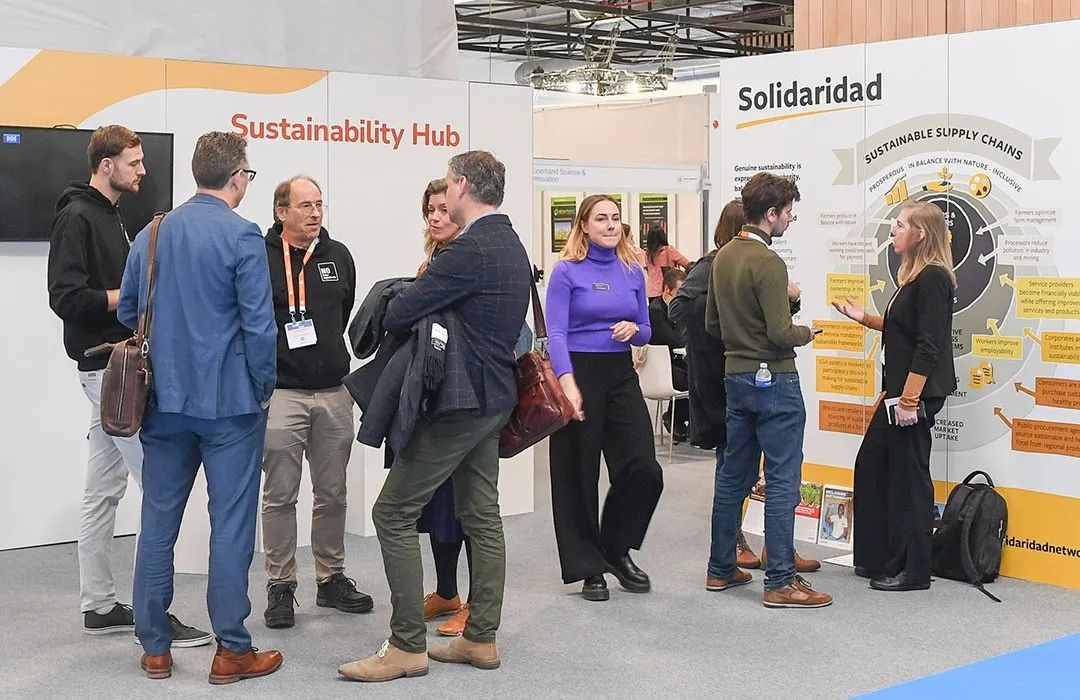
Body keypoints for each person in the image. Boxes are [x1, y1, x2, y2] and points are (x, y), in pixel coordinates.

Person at [339, 151, 531, 682]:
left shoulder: (468, 250)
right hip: (494, 400)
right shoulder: (510, 243)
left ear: (463, 185)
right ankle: (481, 637)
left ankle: (406, 647)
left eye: (448, 184)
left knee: (392, 513)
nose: (443, 195)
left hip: (459, 404)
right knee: (481, 514)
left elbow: (400, 312)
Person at [118, 132, 282, 683]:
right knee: (230, 525)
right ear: (237, 177)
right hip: (231, 405)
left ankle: (155, 648)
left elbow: (129, 312)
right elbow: (260, 327)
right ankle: (231, 649)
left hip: (162, 402)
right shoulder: (242, 235)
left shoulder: (152, 232)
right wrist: (263, 388)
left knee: (157, 522)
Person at [46, 124, 210, 646]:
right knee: (159, 491)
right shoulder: (77, 216)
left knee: (102, 491)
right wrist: (134, 294)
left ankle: (98, 605)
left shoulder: (112, 214)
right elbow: (66, 298)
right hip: (109, 373)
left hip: (114, 371)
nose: (143, 170)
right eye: (134, 162)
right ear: (106, 165)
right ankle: (153, 615)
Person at [704, 172, 832, 609]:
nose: (791, 219)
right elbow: (780, 333)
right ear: (771, 213)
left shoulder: (723, 257)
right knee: (782, 480)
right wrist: (806, 332)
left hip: (736, 378)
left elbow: (712, 325)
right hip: (775, 379)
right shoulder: (770, 263)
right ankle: (780, 581)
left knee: (733, 476)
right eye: (789, 212)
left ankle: (720, 567)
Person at [261, 176, 371, 629]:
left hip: (333, 392)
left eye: (319, 205)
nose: (315, 213)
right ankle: (280, 585)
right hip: (281, 393)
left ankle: (330, 578)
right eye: (305, 205)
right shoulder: (260, 256)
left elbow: (340, 315)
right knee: (279, 496)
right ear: (281, 212)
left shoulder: (337, 255)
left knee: (332, 493)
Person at [545, 194, 664, 603]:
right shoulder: (566, 271)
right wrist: (567, 382)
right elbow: (555, 333)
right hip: (578, 371)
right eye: (601, 219)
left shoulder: (632, 270)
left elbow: (647, 328)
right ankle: (588, 567)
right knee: (578, 473)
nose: (611, 225)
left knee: (643, 468)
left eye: (615, 218)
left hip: (619, 372)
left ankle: (614, 547)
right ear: (584, 225)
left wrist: (634, 330)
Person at [833, 200, 956, 592]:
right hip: (900, 393)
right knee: (874, 465)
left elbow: (929, 345)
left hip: (914, 396)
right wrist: (866, 318)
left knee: (910, 478)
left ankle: (914, 570)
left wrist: (909, 400)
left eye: (900, 225)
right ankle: (881, 558)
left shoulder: (933, 278)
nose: (893, 231)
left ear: (920, 234)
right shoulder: (914, 276)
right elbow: (904, 327)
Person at [414, 177, 474, 638]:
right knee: (439, 502)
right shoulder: (430, 263)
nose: (435, 217)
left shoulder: (469, 261)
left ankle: (475, 604)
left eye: (442, 209)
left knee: (471, 505)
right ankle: (447, 592)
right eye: (429, 210)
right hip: (435, 398)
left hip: (468, 399)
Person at [648, 268, 689, 442]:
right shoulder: (656, 311)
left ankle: (681, 420)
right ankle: (676, 418)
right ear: (666, 290)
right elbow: (674, 339)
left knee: (700, 373)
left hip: (674, 362)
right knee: (694, 379)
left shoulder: (676, 308)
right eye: (678, 292)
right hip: (658, 369)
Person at [643, 223, 689, 300]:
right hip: (665, 290)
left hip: (651, 292)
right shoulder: (669, 250)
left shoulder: (647, 254)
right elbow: (687, 263)